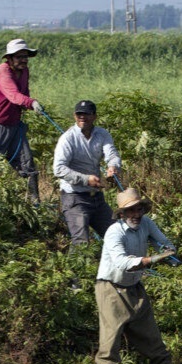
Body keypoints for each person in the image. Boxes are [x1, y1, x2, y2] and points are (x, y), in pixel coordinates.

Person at [94, 188, 182, 364]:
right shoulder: (114, 232)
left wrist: (169, 254)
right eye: (130, 210)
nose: (136, 214)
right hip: (110, 289)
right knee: (110, 342)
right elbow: (122, 262)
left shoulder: (147, 224)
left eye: (139, 209)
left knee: (155, 342)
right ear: (122, 213)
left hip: (135, 288)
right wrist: (151, 259)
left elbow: (164, 243)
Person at [52, 100, 122, 257]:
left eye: (86, 114)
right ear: (74, 116)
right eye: (79, 114)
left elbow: (112, 155)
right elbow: (59, 169)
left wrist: (113, 167)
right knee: (81, 243)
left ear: (94, 116)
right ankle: (75, 280)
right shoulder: (68, 138)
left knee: (116, 234)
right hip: (75, 198)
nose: (82, 117)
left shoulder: (102, 134)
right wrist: (86, 179)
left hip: (96, 198)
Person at [0, 38, 43, 202]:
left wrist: (27, 103)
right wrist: (31, 103)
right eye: (19, 56)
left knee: (27, 166)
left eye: (25, 56)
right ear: (10, 58)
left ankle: (35, 203)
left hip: (14, 126)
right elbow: (14, 95)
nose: (23, 60)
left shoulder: (24, 71)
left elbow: (24, 92)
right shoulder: (3, 72)